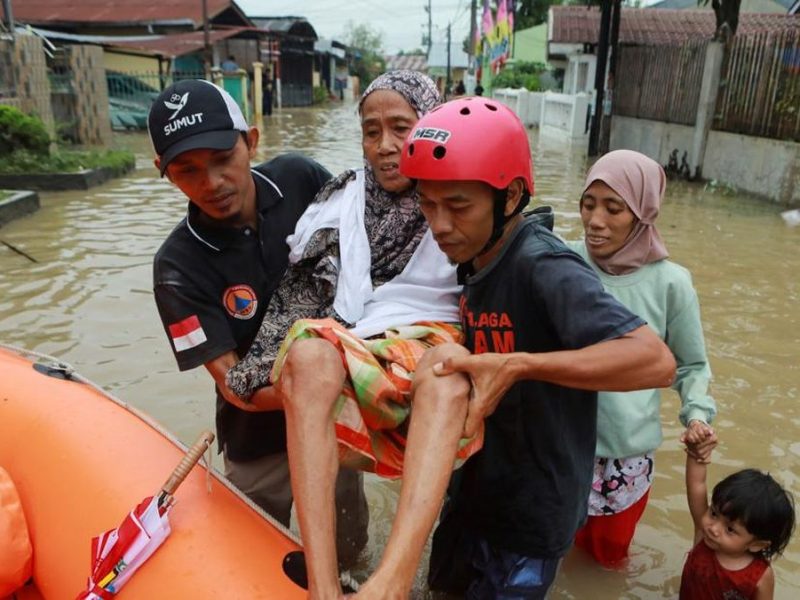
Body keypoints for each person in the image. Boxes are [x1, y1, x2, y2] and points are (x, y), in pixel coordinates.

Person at [398, 97, 677, 598]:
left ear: (510, 198)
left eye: (457, 206)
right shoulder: (475, 255)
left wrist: (519, 365)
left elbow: (654, 359)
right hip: (474, 495)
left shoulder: (544, 265)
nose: (438, 225)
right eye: (427, 204)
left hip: (532, 516)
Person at [224, 70, 480, 599]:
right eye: (371, 131)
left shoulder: (467, 194)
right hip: (361, 353)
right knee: (310, 354)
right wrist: (272, 373)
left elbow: (501, 288)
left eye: (401, 129)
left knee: (446, 371)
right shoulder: (341, 199)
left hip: (430, 356)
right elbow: (302, 294)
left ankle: (391, 582)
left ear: (431, 127)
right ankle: (324, 587)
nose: (385, 147)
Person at [147, 79, 368, 563]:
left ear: (252, 140)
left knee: (347, 549)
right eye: (188, 171)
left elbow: (364, 261)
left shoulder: (301, 179)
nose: (213, 183)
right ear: (165, 174)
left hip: (337, 423)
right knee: (253, 561)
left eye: (223, 159)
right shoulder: (176, 267)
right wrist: (317, 391)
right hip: (258, 444)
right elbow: (232, 383)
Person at [565, 149, 718, 566]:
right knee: (549, 551)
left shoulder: (672, 283)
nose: (595, 220)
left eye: (614, 208)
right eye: (588, 204)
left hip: (624, 456)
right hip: (559, 442)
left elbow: (692, 365)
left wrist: (697, 415)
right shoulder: (562, 261)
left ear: (643, 212)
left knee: (607, 560)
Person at [682, 429, 795, 599]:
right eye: (713, 513)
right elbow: (697, 485)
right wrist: (696, 451)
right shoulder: (703, 535)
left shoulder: (759, 576)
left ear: (757, 544)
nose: (713, 528)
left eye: (730, 529)